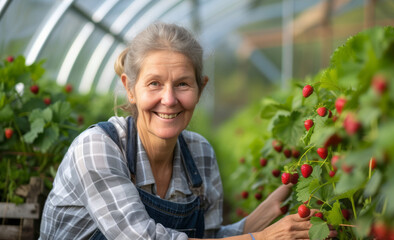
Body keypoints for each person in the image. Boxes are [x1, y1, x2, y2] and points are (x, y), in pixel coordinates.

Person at [39, 22, 335, 240]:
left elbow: (207, 239)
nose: (169, 99)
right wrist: (263, 238)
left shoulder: (199, 153)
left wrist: (265, 214)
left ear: (200, 87)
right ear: (130, 89)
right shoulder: (98, 147)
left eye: (182, 84)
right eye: (154, 83)